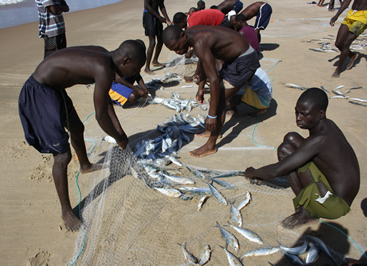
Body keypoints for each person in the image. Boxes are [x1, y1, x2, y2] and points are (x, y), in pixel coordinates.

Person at [18, 40, 146, 231]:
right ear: (126, 60)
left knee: (77, 128)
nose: (134, 75)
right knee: (62, 155)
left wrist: (121, 133)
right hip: (40, 91)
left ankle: (85, 165)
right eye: (135, 69)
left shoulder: (105, 56)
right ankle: (66, 211)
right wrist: (119, 138)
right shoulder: (102, 68)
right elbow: (101, 115)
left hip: (55, 88)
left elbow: (110, 99)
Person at [245, 88, 360, 229]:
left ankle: (306, 212)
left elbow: (276, 170)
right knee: (291, 137)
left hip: (335, 204)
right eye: (297, 112)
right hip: (338, 188)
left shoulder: (320, 140)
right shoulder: (328, 125)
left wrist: (254, 172)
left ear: (321, 114)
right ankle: (307, 203)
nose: (298, 118)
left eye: (304, 114)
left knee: (285, 151)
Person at [163, 25, 260, 157]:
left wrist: (212, 115)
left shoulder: (199, 41)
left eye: (177, 47)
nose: (178, 52)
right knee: (217, 96)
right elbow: (203, 60)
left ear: (183, 36)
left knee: (220, 100)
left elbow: (213, 79)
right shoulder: (192, 35)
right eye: (173, 50)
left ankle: (211, 145)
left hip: (244, 60)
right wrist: (201, 87)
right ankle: (214, 130)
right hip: (234, 59)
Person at [330, 0, 367, 77]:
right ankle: (352, 55)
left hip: (363, 16)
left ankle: (338, 70)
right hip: (352, 13)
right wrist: (336, 16)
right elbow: (346, 1)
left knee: (346, 43)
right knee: (338, 43)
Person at [143, 0, 171, 75]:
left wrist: (167, 19)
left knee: (160, 40)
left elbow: (161, 6)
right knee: (152, 42)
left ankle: (155, 60)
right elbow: (146, 6)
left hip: (156, 15)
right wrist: (159, 17)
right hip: (149, 16)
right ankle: (147, 67)